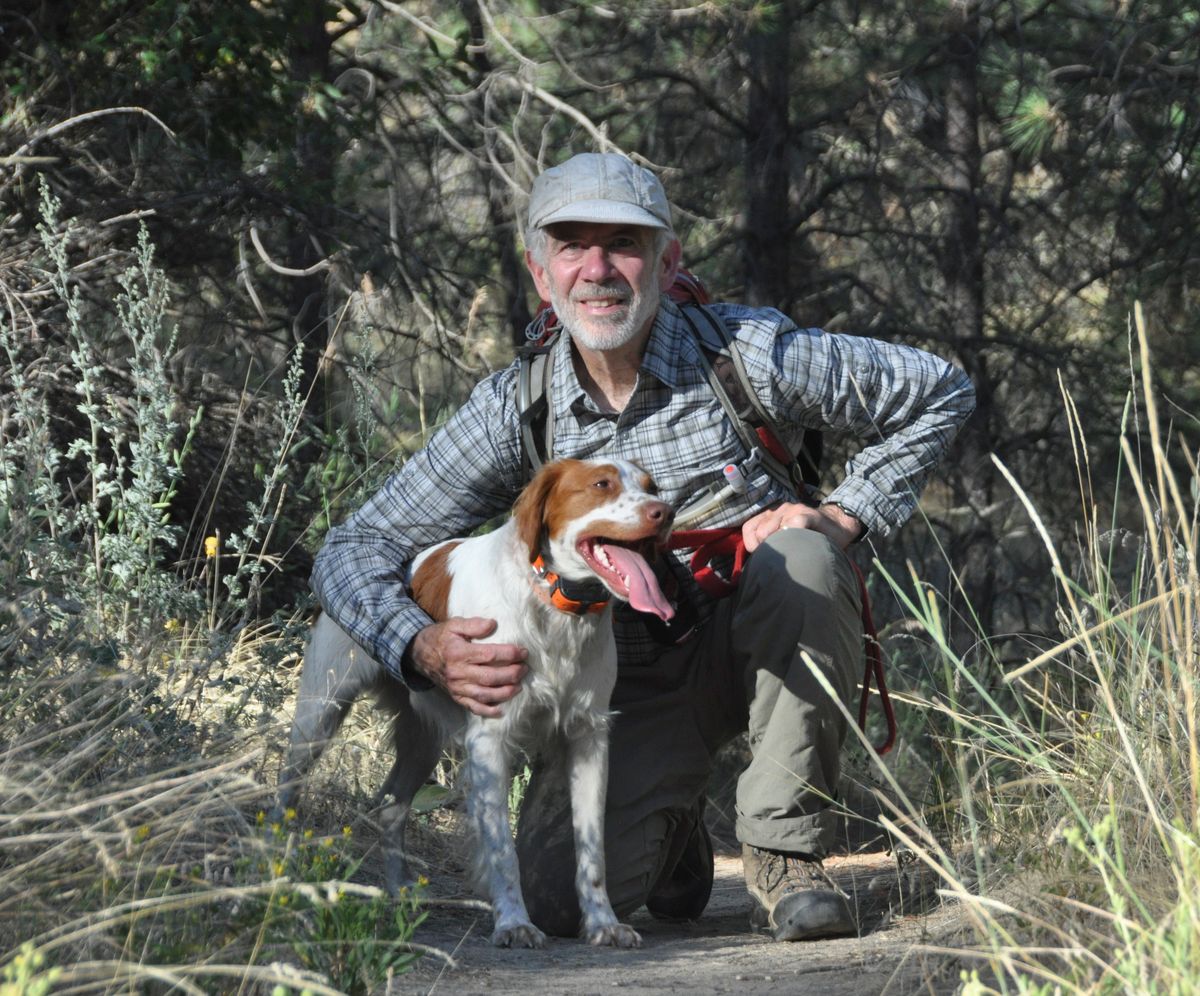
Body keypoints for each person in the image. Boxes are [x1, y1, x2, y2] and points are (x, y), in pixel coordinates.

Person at [311, 152, 975, 941]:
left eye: (623, 244)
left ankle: (784, 851)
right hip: (626, 682)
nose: (598, 270)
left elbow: (940, 386)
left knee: (806, 557)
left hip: (762, 637)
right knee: (556, 904)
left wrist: (842, 514)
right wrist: (418, 645)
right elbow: (356, 544)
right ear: (539, 271)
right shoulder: (514, 408)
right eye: (571, 247)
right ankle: (676, 825)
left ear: (668, 259)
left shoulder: (752, 354)